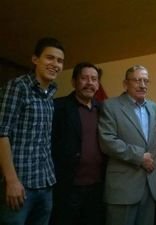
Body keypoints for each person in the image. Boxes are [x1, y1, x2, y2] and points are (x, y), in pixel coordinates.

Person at [0, 37, 64, 224]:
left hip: (45, 183)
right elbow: (1, 133)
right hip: (20, 186)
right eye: (49, 58)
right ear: (35, 59)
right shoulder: (18, 87)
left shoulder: (50, 93)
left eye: (60, 61)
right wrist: (11, 181)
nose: (55, 64)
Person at [98, 65, 156, 225]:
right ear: (125, 84)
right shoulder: (111, 106)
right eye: (137, 80)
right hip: (123, 187)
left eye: (146, 81)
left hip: (149, 185)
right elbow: (107, 141)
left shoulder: (153, 107)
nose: (142, 85)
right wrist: (139, 156)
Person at [51, 62, 106, 225]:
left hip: (97, 187)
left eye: (94, 79)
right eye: (84, 78)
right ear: (74, 82)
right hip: (67, 187)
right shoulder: (58, 107)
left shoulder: (104, 109)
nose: (90, 83)